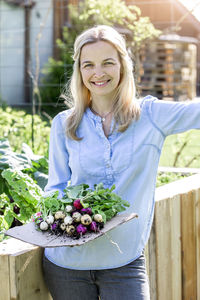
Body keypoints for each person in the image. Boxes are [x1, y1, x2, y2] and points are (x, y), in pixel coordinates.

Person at [42, 25, 200, 300]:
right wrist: (62, 220)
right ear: (79, 71)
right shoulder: (64, 125)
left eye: (107, 63)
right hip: (66, 263)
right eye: (88, 64)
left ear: (123, 66)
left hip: (123, 261)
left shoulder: (150, 116)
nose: (98, 73)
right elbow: (55, 187)